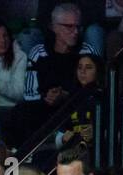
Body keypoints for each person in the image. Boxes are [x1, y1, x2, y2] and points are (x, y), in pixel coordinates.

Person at [20, 2, 96, 131]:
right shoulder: (38, 53)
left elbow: (95, 90)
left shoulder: (87, 52)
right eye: (69, 27)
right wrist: (47, 97)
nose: (76, 32)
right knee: (22, 112)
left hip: (76, 111)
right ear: (54, 27)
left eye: (78, 26)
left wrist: (66, 96)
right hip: (43, 111)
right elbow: (29, 94)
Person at [55, 54, 99, 148]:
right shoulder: (71, 98)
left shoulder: (104, 97)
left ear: (98, 72)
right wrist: (63, 138)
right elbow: (59, 137)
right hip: (72, 152)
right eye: (79, 67)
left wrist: (98, 133)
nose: (82, 71)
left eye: (88, 67)